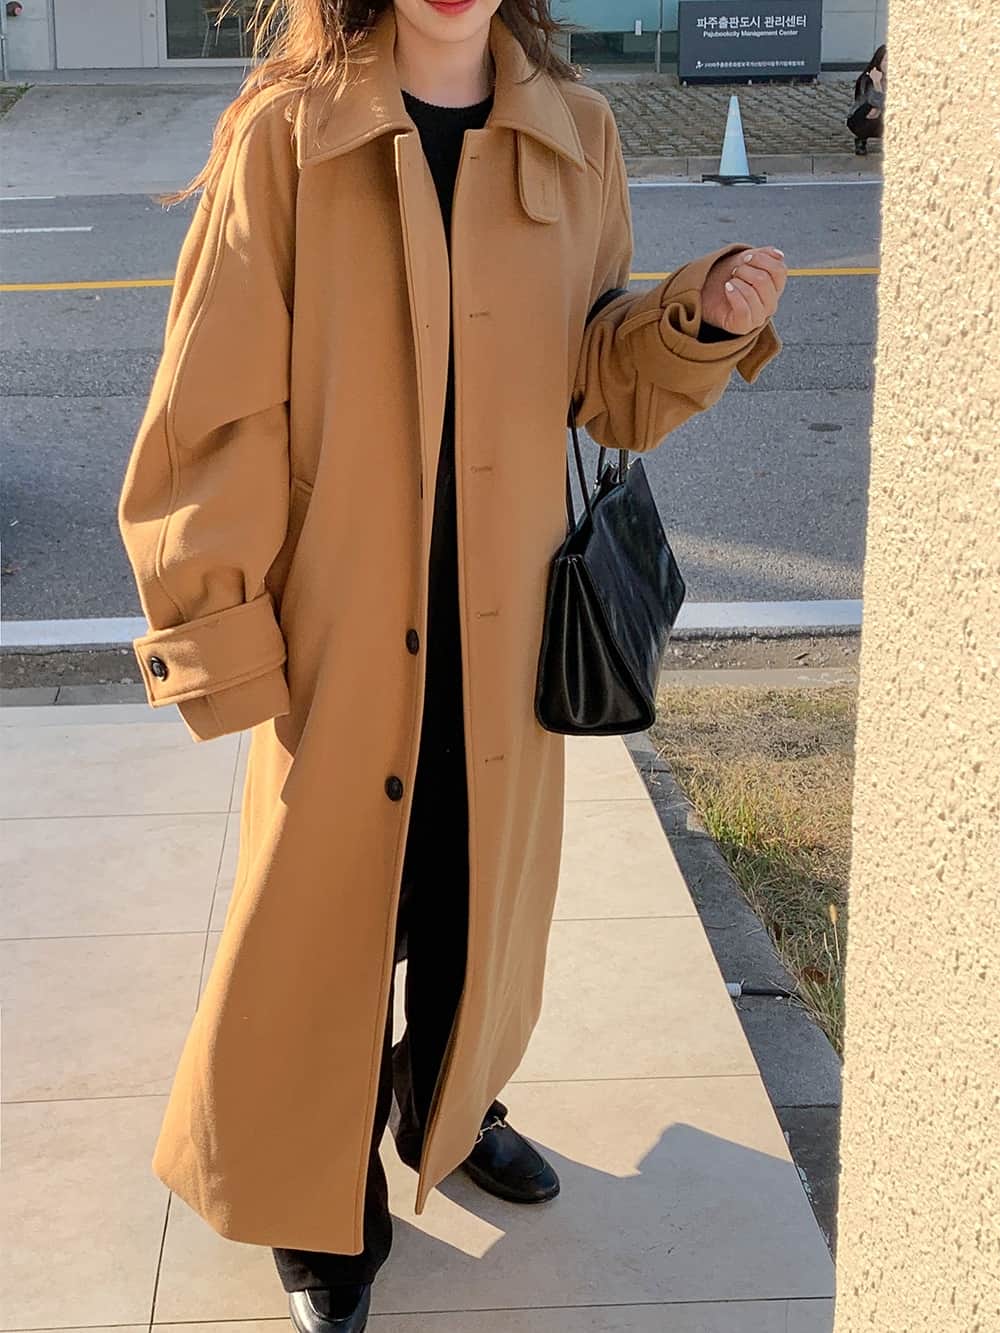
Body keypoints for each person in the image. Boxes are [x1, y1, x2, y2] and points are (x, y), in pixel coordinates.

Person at [117, 2, 786, 1330]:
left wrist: (695, 324)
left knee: (473, 892)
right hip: (340, 623)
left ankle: (451, 1102)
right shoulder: (288, 135)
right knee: (325, 921)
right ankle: (317, 1195)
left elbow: (599, 380)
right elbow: (214, 405)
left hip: (507, 614)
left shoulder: (575, 131)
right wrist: (219, 630)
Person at [848, 43, 887, 155]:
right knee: (872, 109)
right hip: (861, 119)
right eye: (886, 60)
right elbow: (873, 102)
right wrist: (877, 83)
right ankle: (861, 139)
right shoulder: (867, 79)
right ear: (879, 61)